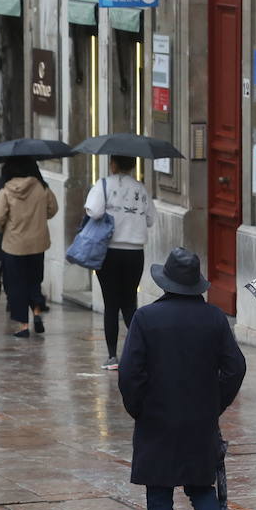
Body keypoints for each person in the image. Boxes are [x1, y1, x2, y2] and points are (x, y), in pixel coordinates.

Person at [118, 248, 246, 510]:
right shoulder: (215, 318)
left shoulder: (145, 318)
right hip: (199, 419)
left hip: (156, 418)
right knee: (201, 487)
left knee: (159, 496)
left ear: (166, 281)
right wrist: (214, 404)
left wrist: (138, 408)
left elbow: (130, 372)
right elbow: (236, 367)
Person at [85, 154, 153, 370]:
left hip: (109, 252)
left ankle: (112, 356)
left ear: (113, 164)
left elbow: (93, 211)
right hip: (135, 253)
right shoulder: (140, 189)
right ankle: (137, 353)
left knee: (111, 304)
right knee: (130, 302)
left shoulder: (103, 184)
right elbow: (151, 219)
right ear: (133, 165)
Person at [0, 156, 59, 337]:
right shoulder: (41, 187)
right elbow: (53, 209)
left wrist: (4, 227)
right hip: (38, 244)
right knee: (34, 280)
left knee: (17, 285)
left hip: (14, 245)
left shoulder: (7, 190)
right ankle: (37, 313)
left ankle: (23, 325)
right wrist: (39, 218)